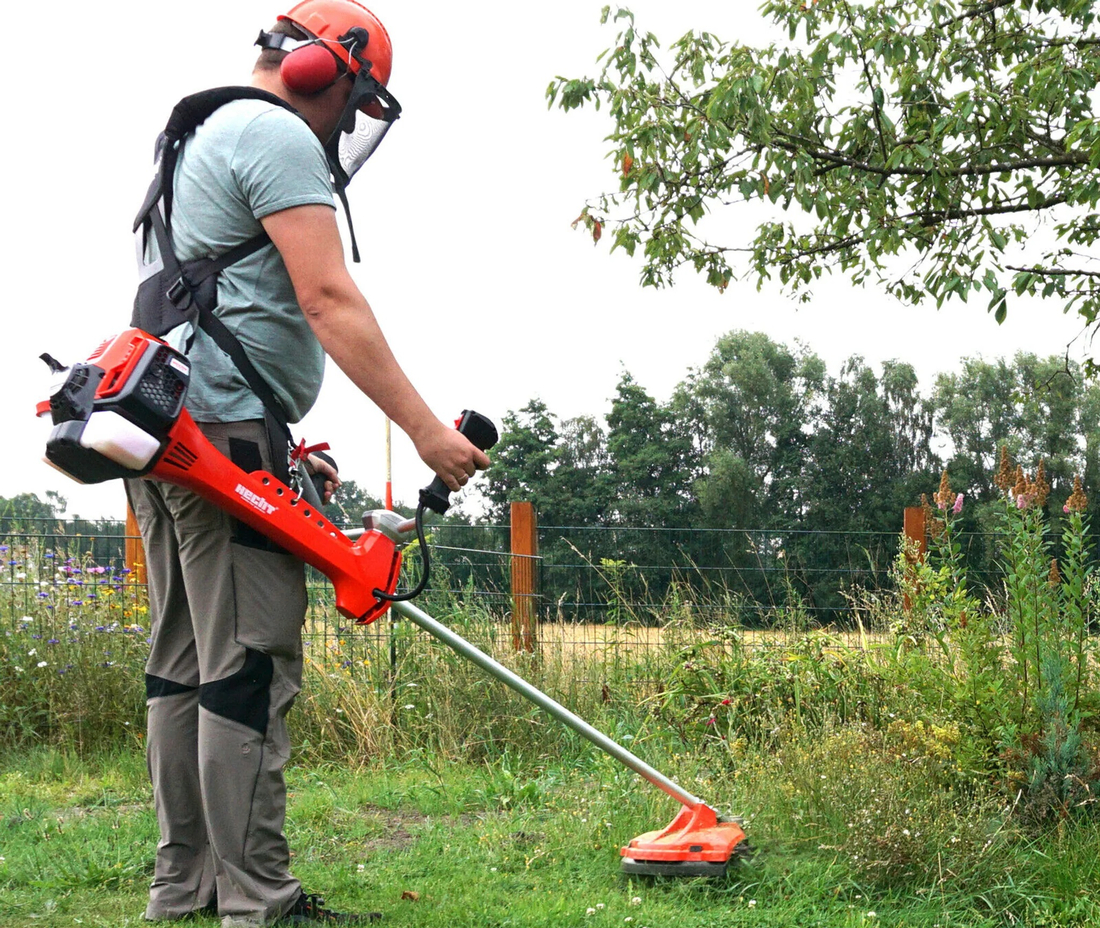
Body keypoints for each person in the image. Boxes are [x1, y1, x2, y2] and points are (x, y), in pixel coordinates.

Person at [125, 2, 490, 925]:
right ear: (321, 71)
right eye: (354, 101)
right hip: (223, 438)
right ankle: (262, 901)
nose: (346, 125)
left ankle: (188, 887)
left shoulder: (197, 133)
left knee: (183, 665)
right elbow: (329, 299)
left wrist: (290, 447)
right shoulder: (275, 132)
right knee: (248, 663)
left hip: (166, 428)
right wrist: (425, 434)